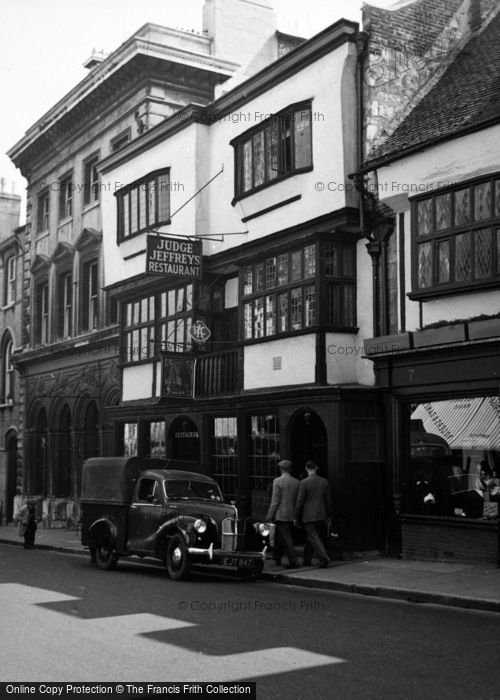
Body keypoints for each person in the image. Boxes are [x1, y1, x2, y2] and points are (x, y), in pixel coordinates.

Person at [294, 460, 332, 568]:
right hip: (321, 514)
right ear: (316, 468)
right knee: (312, 537)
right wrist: (328, 515)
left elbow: (300, 501)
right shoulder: (324, 482)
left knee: (313, 536)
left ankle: (324, 557)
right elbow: (328, 501)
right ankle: (306, 559)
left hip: (308, 515)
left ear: (306, 468)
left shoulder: (304, 483)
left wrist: (296, 516)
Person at [265, 459, 300, 569]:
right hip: (292, 513)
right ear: (290, 469)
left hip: (281, 514)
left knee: (286, 538)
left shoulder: (277, 481)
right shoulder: (296, 482)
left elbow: (275, 501)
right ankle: (277, 556)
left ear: (280, 469)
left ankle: (294, 561)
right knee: (280, 537)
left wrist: (269, 515)